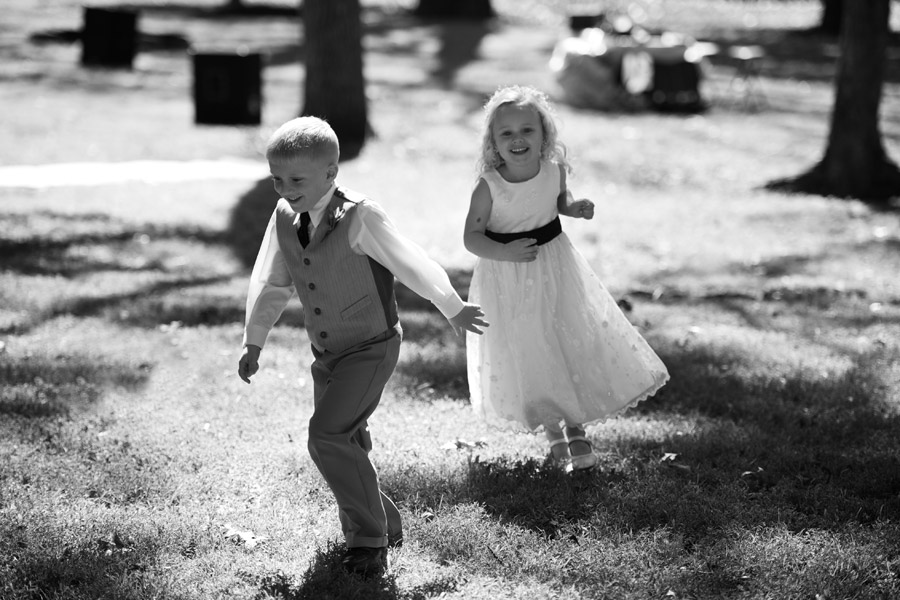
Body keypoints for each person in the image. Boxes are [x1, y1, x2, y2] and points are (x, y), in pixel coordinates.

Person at [238, 116, 488, 578]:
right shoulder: (283, 218)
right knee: (346, 440)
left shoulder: (360, 216)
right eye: (277, 178)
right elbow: (271, 281)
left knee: (326, 436)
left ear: (331, 173)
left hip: (372, 346)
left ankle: (368, 542)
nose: (285, 188)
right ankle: (385, 521)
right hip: (327, 353)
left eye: (296, 179)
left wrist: (452, 306)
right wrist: (255, 341)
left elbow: (411, 262)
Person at [463, 85, 668, 473]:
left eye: (527, 130)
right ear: (492, 141)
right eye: (506, 133)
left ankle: (576, 426)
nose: (518, 140)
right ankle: (553, 427)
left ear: (544, 134)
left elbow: (557, 200)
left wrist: (573, 207)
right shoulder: (489, 185)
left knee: (565, 337)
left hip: (555, 266)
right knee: (530, 346)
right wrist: (505, 251)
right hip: (508, 276)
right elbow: (471, 237)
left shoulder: (553, 170)